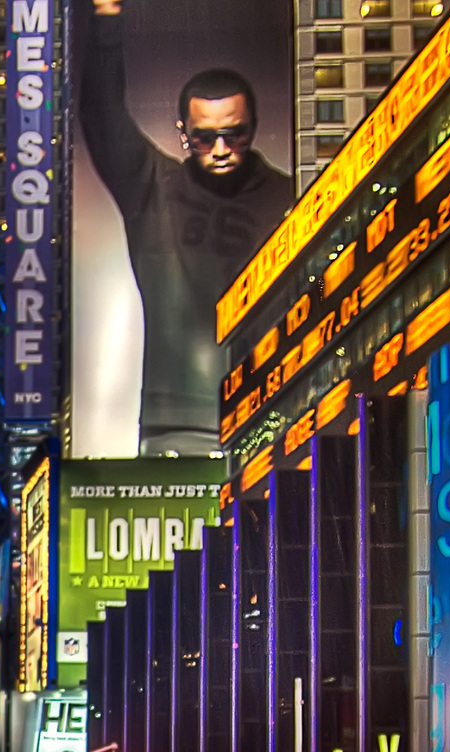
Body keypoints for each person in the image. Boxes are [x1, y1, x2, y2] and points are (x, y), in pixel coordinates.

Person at [81, 0, 293, 454]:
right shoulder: (153, 186)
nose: (220, 149)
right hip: (174, 423)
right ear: (184, 134)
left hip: (273, 411)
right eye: (204, 137)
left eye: (233, 134)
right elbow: (102, 114)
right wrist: (105, 21)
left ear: (253, 128)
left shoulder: (290, 201)